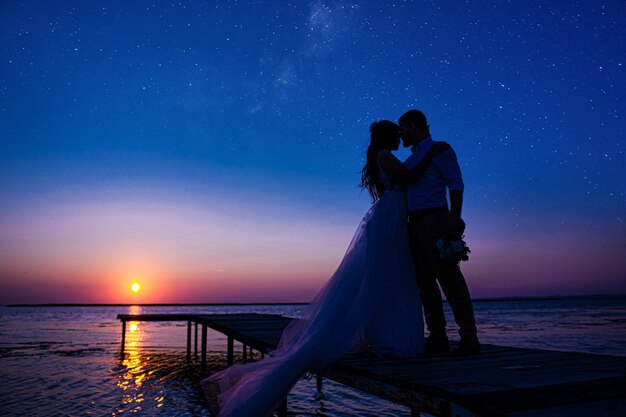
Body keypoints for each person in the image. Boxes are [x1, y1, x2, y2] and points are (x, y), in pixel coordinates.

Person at [201, 120, 448, 417]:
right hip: (390, 216)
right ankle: (389, 338)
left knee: (394, 278)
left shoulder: (381, 155)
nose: (399, 138)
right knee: (387, 276)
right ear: (387, 136)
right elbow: (408, 175)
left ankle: (390, 335)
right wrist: (431, 153)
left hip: (393, 215)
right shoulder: (384, 155)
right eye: (396, 135)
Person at [398, 109, 480, 356]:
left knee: (449, 278)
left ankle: (468, 336)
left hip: (435, 218)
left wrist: (455, 216)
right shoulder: (412, 160)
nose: (400, 134)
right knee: (425, 283)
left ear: (413, 126)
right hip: (414, 223)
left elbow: (455, 183)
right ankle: (437, 335)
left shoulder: (441, 150)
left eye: (402, 128)